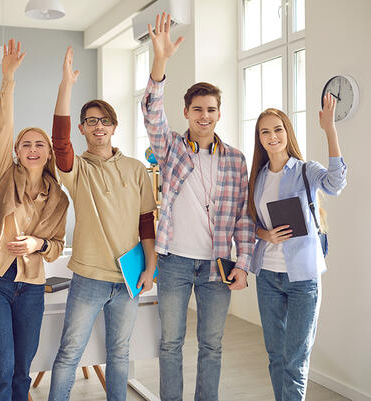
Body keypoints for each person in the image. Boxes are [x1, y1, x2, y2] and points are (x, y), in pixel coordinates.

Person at [141, 13, 255, 401]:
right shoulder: (171, 148)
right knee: (170, 345)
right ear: (186, 112)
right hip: (173, 261)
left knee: (212, 346)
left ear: (219, 113)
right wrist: (161, 62)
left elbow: (243, 217)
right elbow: (151, 113)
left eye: (211, 110)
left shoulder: (236, 160)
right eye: (197, 109)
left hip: (217, 266)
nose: (204, 116)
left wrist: (243, 265)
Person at [47, 47, 157, 401]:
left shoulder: (137, 168)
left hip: (128, 279)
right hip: (89, 278)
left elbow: (146, 224)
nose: (98, 126)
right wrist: (66, 84)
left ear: (114, 126)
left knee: (120, 355)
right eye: (91, 121)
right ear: (82, 128)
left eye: (104, 121)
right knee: (69, 352)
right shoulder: (76, 169)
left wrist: (150, 267)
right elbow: (59, 143)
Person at [0, 39, 69, 401]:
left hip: (31, 285)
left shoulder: (58, 197)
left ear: (48, 155)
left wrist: (37, 244)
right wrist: (8, 80)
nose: (32, 149)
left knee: (21, 373)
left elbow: (57, 246)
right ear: (16, 152)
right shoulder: (3, 176)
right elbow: (3, 127)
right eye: (25, 144)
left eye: (39, 145)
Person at [247, 93, 346, 401]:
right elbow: (248, 223)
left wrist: (329, 130)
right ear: (259, 139)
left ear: (287, 133)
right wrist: (265, 235)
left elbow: (336, 183)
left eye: (277, 129)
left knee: (296, 358)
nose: (272, 136)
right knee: (276, 356)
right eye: (265, 131)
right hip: (268, 277)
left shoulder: (305, 169)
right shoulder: (257, 178)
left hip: (303, 278)